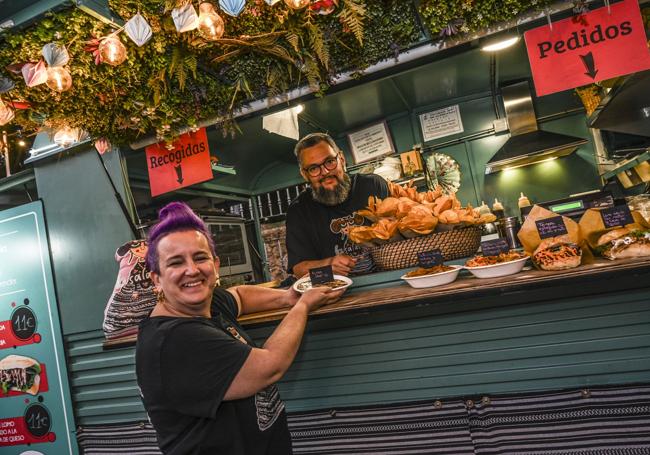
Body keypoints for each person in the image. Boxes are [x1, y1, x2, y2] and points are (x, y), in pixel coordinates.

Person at [135, 202, 343, 455]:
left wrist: (287, 297)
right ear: (156, 278)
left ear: (216, 264)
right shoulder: (175, 339)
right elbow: (271, 365)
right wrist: (303, 306)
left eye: (200, 258)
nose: (192, 270)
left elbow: (240, 296)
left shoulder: (206, 304)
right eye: (176, 263)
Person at [286, 132, 389, 277]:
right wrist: (328, 264)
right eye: (314, 168)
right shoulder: (299, 210)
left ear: (341, 159)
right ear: (305, 174)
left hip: (388, 280)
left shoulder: (373, 185)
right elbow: (298, 269)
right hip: (336, 292)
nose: (325, 172)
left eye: (329, 161)